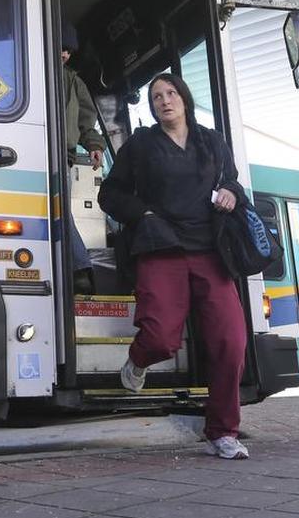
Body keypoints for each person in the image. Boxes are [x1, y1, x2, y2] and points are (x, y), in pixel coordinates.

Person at [97, 73, 251, 460]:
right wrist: (143, 213)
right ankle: (138, 359)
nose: (164, 101)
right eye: (156, 98)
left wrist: (231, 194)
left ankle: (222, 432)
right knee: (161, 339)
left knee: (231, 343)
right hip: (161, 247)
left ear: (184, 98)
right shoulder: (141, 145)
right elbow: (109, 193)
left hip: (210, 252)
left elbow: (233, 182)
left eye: (170, 94)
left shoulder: (211, 141)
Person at [61, 24, 106, 293]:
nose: (64, 54)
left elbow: (86, 122)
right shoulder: (29, 69)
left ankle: (80, 270)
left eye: (68, 51)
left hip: (61, 156)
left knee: (60, 213)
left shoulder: (75, 82)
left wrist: (94, 144)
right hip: (32, 152)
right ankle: (78, 270)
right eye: (60, 48)